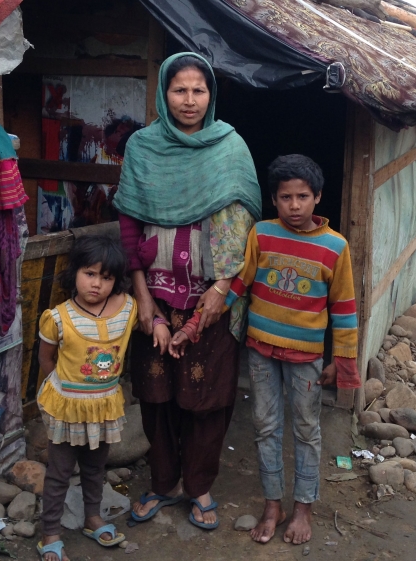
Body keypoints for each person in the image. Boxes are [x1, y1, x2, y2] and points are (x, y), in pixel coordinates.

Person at [172, 154, 361, 545]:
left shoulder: (335, 247)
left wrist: (342, 363)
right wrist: (196, 324)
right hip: (260, 351)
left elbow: (343, 309)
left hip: (307, 358)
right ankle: (272, 505)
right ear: (273, 200)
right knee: (265, 427)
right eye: (285, 197)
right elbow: (238, 286)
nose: (294, 206)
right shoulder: (262, 234)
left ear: (318, 197)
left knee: (307, 431)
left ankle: (303, 507)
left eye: (303, 197)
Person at [112, 52, 263, 530]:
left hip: (211, 297)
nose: (190, 100)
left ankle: (199, 486)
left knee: (209, 397)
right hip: (155, 292)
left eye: (199, 90)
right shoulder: (142, 147)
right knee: (156, 395)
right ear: (164, 93)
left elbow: (243, 229)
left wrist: (221, 293)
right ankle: (163, 483)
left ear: (211, 95)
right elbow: (130, 225)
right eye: (180, 90)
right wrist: (143, 300)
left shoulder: (230, 146)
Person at [35, 235, 164, 560]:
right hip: (67, 410)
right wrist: (53, 394)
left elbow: (150, 314)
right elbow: (45, 360)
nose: (96, 284)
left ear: (116, 281)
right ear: (75, 272)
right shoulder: (59, 318)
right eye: (89, 274)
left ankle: (93, 518)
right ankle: (50, 533)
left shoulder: (128, 309)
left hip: (104, 407)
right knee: (59, 472)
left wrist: (160, 323)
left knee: (96, 467)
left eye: (106, 278)